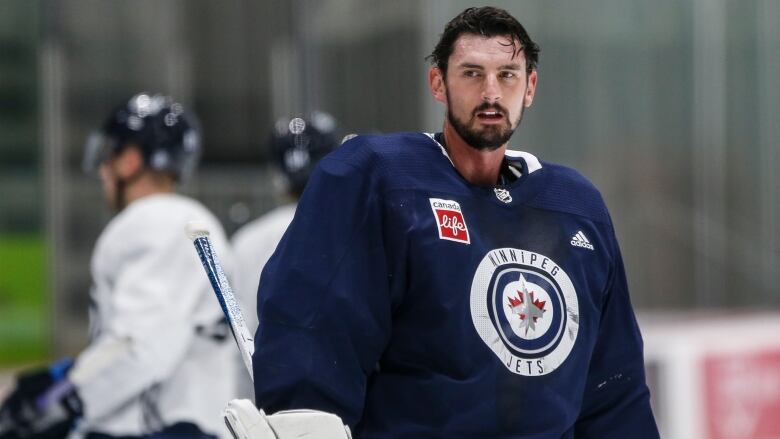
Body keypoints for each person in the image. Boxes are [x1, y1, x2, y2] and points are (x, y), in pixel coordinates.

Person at [251, 6, 659, 438]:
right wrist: (302, 416)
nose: (490, 93)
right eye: (471, 73)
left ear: (530, 86)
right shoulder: (380, 180)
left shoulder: (576, 207)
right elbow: (317, 323)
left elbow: (613, 384)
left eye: (507, 75)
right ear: (438, 83)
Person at [0, 93, 237, 439]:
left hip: (158, 429)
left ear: (129, 160)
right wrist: (65, 376)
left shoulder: (161, 221)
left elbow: (139, 346)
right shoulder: (178, 221)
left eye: (110, 154)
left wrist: (59, 403)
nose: (103, 169)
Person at [230, 112, 340, 399]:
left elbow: (240, 337)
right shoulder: (356, 227)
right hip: (343, 395)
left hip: (268, 394)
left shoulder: (248, 240)